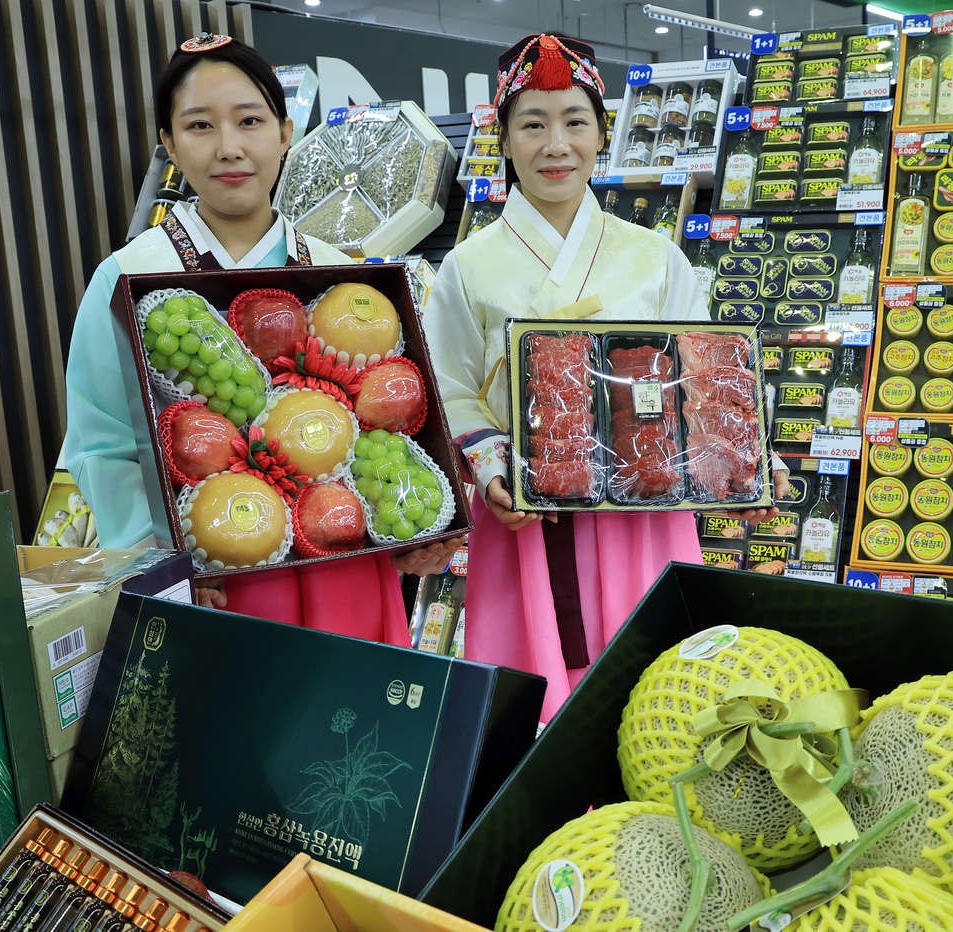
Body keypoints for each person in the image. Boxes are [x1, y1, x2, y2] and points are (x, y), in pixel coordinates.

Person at [423, 33, 789, 719]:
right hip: (525, 517)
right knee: (530, 706)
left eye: (574, 122)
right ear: (503, 139)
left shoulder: (654, 258)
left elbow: (707, 377)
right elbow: (451, 384)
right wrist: (497, 466)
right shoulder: (469, 266)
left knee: (655, 696)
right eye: (532, 124)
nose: (554, 145)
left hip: (642, 508)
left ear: (601, 134)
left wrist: (744, 462)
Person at [64, 34, 461, 644]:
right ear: (168, 143)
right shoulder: (128, 277)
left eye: (250, 121)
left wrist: (414, 538)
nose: (229, 148)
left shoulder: (339, 274)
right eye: (199, 126)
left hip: (345, 562)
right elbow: (103, 446)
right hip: (219, 574)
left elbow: (391, 431)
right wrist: (166, 565)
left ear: (284, 131)